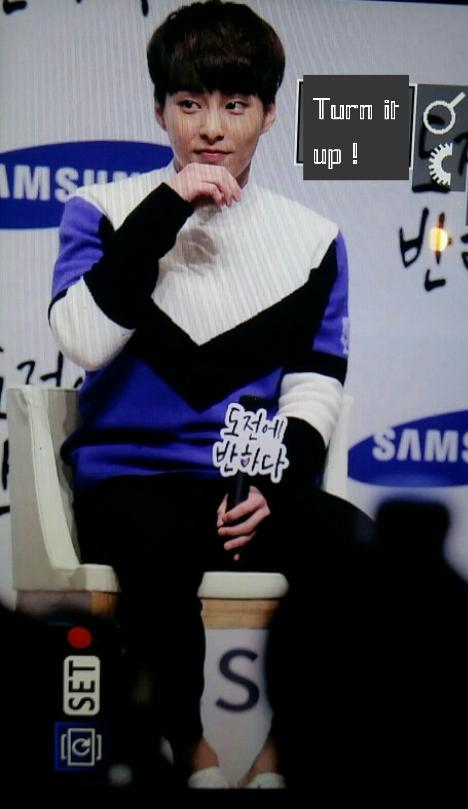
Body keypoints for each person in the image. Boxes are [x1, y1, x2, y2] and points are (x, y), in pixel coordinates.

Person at [49, 0, 371, 789]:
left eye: (236, 105)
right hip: (130, 480)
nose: (212, 128)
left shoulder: (312, 240)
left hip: (243, 485)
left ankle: (277, 754)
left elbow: (315, 380)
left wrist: (276, 483)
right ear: (160, 109)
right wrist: (168, 208)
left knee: (358, 550)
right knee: (153, 549)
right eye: (191, 104)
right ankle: (190, 749)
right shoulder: (102, 211)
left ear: (269, 113)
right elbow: (84, 339)